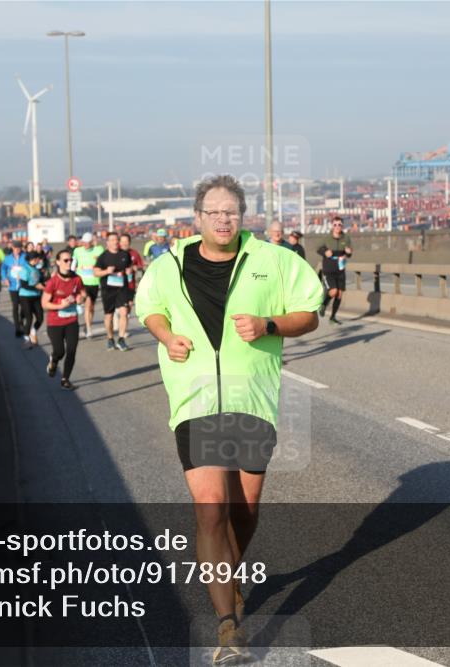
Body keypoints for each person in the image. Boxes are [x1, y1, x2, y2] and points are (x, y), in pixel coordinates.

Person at [135, 175, 321, 664]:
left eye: (231, 212)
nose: (223, 220)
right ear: (198, 217)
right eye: (214, 212)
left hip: (252, 399)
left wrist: (269, 324)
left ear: (243, 216)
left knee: (245, 509)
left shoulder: (274, 261)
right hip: (195, 400)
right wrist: (165, 336)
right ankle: (227, 627)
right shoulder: (169, 264)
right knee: (211, 507)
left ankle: (228, 574)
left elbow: (309, 313)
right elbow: (150, 308)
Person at [42, 249, 85, 390]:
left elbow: (82, 293)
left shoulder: (76, 279)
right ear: (58, 262)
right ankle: (54, 361)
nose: (69, 262)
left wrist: (80, 298)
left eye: (70, 260)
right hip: (55, 322)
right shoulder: (53, 282)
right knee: (60, 351)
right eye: (65, 260)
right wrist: (60, 305)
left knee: (72, 350)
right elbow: (44, 303)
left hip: (71, 320)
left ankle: (65, 379)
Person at [93, 231, 132, 351]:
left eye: (116, 240)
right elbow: (95, 272)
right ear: (108, 242)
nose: (115, 242)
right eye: (112, 240)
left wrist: (129, 271)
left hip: (122, 288)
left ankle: (121, 339)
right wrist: (106, 271)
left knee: (124, 312)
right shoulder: (103, 256)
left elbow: (129, 266)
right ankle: (110, 338)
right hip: (108, 289)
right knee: (109, 316)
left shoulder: (125, 254)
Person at [317, 216, 353, 325]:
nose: (337, 227)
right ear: (332, 226)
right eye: (335, 225)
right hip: (329, 268)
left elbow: (349, 253)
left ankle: (332, 317)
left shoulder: (346, 238)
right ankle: (324, 304)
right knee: (334, 291)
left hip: (340, 269)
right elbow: (318, 248)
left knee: (339, 294)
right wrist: (325, 252)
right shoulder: (327, 238)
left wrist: (348, 252)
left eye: (339, 225)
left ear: (342, 226)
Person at [72, 232, 104, 339]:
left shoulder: (98, 250)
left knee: (91, 307)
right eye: (84, 242)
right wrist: (71, 275)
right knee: (88, 304)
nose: (85, 244)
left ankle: (87, 325)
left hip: (94, 282)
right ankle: (89, 329)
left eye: (87, 242)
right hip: (82, 281)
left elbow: (103, 262)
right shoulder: (77, 251)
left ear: (92, 242)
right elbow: (73, 264)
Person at [18, 251, 46, 348]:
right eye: (38, 258)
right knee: (29, 318)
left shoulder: (37, 269)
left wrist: (45, 281)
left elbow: (41, 281)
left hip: (36, 296)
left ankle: (33, 332)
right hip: (25, 296)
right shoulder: (25, 269)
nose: (39, 260)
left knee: (40, 318)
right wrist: (36, 287)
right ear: (33, 259)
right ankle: (26, 338)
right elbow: (23, 285)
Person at [1, 240, 28, 337]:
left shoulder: (25, 257)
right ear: (12, 248)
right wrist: (5, 279)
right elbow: (3, 268)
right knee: (15, 306)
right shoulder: (7, 258)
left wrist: (23, 273)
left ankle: (21, 321)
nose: (17, 250)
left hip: (23, 285)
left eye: (19, 248)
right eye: (15, 248)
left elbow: (29, 268)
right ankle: (17, 328)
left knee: (24, 307)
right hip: (12, 286)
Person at [119, 232, 144, 310]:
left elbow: (141, 267)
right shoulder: (116, 253)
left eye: (126, 241)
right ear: (119, 242)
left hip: (130, 285)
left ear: (129, 242)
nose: (124, 244)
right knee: (122, 310)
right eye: (122, 241)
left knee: (128, 308)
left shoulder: (134, 253)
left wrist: (134, 268)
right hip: (117, 286)